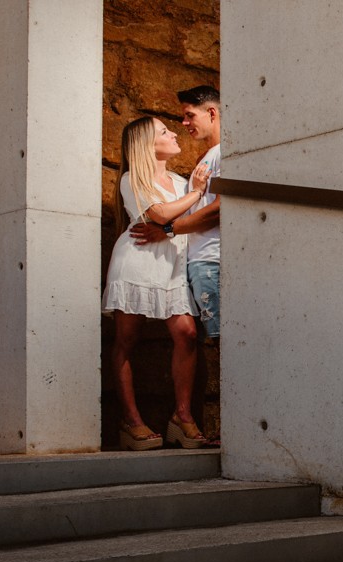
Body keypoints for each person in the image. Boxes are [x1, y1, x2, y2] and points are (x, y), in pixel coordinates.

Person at [103, 117, 212, 450]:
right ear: (147, 144)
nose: (174, 133)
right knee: (126, 338)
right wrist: (195, 193)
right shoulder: (130, 179)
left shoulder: (181, 182)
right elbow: (162, 215)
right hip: (137, 261)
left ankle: (182, 417)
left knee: (187, 334)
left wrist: (189, 196)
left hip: (173, 264)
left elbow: (186, 220)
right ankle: (131, 420)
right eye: (164, 131)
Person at [133, 85, 221, 341]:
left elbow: (219, 210)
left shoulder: (226, 152)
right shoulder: (204, 157)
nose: (184, 123)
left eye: (190, 115)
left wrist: (168, 230)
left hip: (212, 259)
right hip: (200, 261)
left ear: (212, 114)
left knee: (223, 342)